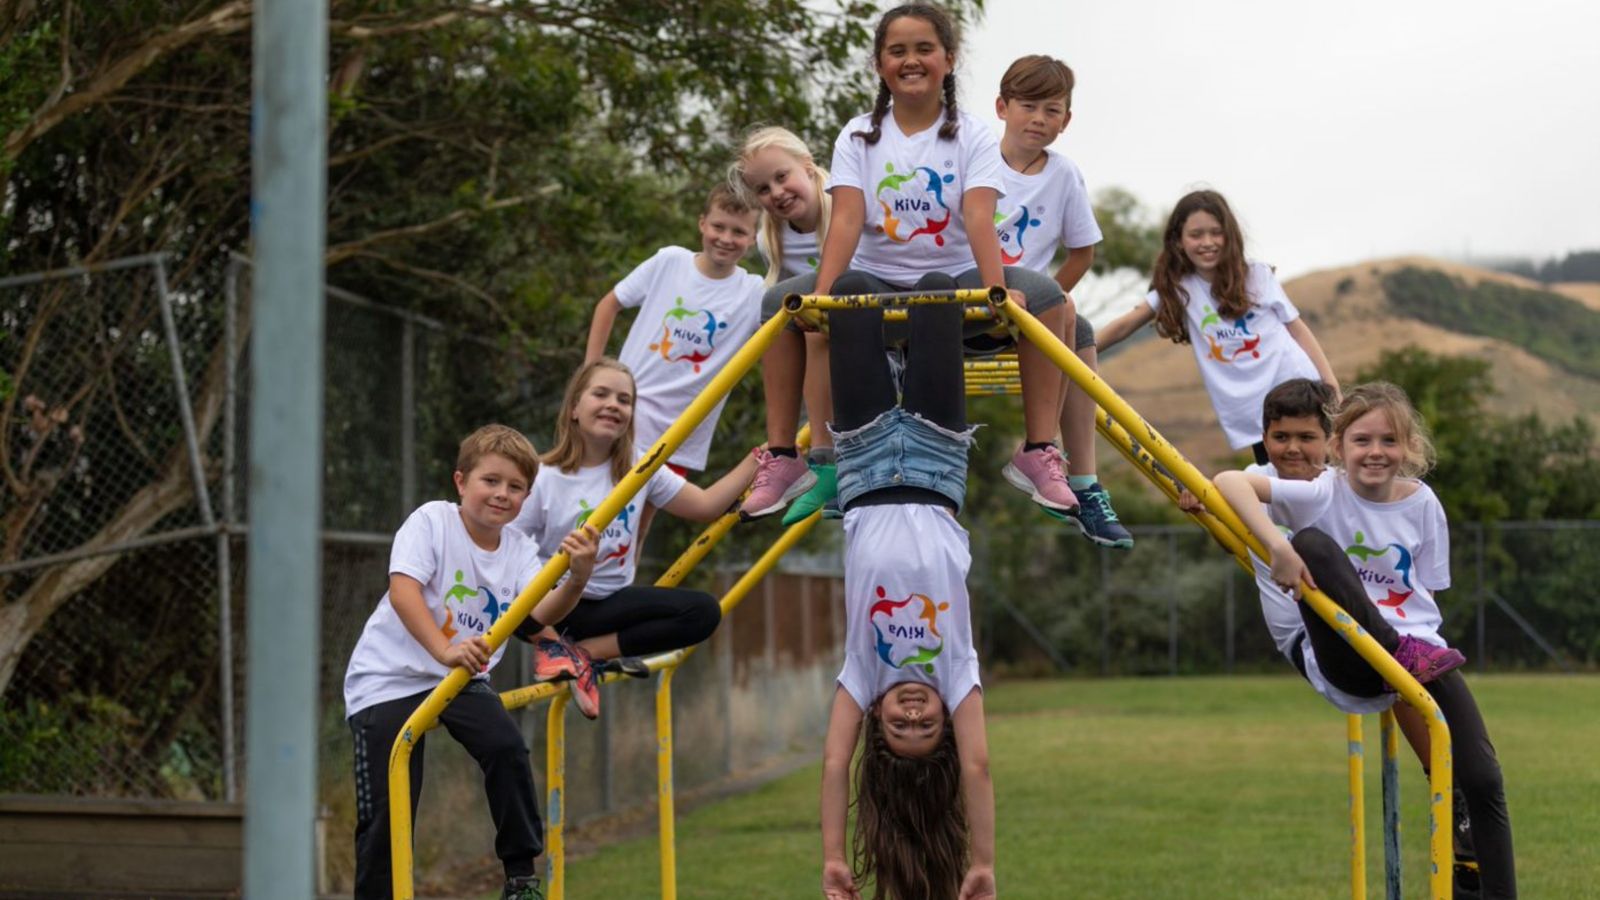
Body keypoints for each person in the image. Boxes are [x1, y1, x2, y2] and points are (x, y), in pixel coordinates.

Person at [741, 3, 1078, 525]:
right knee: (777, 304)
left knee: (1047, 299)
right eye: (898, 51)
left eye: (924, 49)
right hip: (876, 279)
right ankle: (785, 454)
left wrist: (995, 292)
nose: (911, 60)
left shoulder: (972, 134)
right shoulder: (859, 135)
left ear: (949, 58)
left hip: (955, 276)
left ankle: (1037, 447)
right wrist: (823, 299)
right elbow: (848, 219)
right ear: (880, 65)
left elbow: (978, 214)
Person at [1213, 382, 1515, 899]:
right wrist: (1276, 550)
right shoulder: (1322, 491)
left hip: (1418, 656)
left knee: (1483, 781)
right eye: (1362, 441)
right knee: (1310, 543)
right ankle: (1397, 652)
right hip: (1347, 655)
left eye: (1389, 441)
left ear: (1408, 449)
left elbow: (1426, 594)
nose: (1376, 453)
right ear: (1340, 448)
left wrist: (1414, 652)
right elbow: (1225, 481)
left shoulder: (1423, 504)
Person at [343, 425, 599, 900]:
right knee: (388, 812)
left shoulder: (522, 551)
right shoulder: (432, 521)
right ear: (462, 482)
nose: (503, 494)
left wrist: (578, 578)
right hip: (389, 680)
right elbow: (404, 593)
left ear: (526, 497)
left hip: (459, 679)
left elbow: (539, 614)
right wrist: (444, 650)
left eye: (516, 487)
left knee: (507, 748)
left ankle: (521, 878)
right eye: (491, 481)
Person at [818, 293, 993, 900]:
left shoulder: (862, 677)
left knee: (851, 293)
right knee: (940, 292)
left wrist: (835, 858)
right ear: (947, 722)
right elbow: (976, 767)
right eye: (926, 728)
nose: (913, 714)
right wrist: (983, 863)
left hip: (863, 466)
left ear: (876, 722)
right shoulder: (957, 674)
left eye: (900, 729)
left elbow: (837, 765)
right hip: (937, 461)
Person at [513, 358, 757, 719]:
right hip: (557, 607)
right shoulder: (543, 477)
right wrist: (544, 617)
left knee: (703, 611)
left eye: (624, 400)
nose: (614, 404)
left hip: (612, 605)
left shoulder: (640, 469)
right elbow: (507, 549)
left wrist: (761, 457)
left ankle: (586, 654)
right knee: (503, 586)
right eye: (601, 394)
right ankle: (554, 647)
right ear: (575, 408)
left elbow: (706, 506)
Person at [990, 53, 1132, 548]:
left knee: (1079, 325)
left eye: (1052, 111)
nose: (1039, 119)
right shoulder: (976, 159)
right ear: (1002, 107)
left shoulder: (1064, 174)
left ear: (1066, 121)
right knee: (1058, 301)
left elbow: (1082, 252)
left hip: (1031, 305)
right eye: (1028, 106)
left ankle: (1084, 483)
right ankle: (1038, 448)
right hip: (973, 293)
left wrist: (1049, 304)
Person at [1097, 189, 1338, 464]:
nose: (1207, 242)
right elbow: (1125, 325)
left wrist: (1331, 386)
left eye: (1216, 232)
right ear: (1178, 240)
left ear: (1230, 235)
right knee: (1277, 482)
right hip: (1254, 410)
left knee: (1318, 474)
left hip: (1295, 387)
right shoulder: (1179, 289)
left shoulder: (1257, 276)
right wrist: (1075, 347)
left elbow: (1297, 329)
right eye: (1196, 234)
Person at [584, 183, 765, 479]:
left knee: (637, 523)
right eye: (718, 227)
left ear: (754, 239)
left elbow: (789, 335)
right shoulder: (671, 261)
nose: (726, 239)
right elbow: (609, 305)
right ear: (702, 223)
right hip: (623, 414)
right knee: (590, 499)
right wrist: (589, 378)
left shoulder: (754, 292)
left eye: (739, 232)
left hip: (680, 434)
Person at [727, 125, 837, 521]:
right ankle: (805, 461)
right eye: (763, 189)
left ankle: (820, 460)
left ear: (808, 168)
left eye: (782, 177)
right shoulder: (770, 237)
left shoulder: (841, 204)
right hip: (827, 334)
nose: (776, 193)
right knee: (798, 327)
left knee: (792, 313)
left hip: (872, 311)